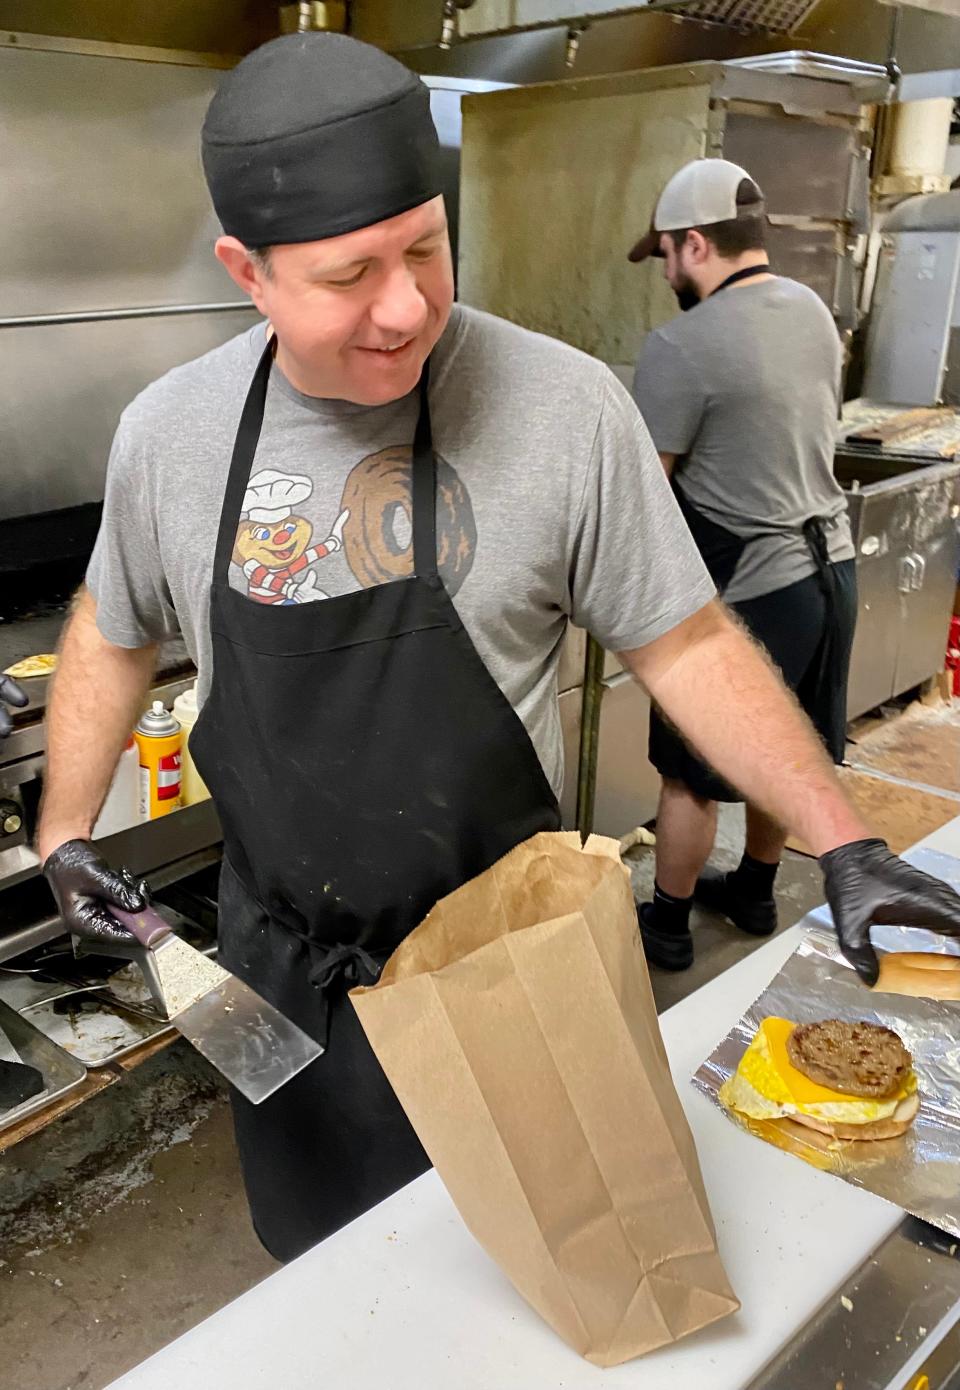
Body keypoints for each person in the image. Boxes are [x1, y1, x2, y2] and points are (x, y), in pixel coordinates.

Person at [37, 37, 960, 1263]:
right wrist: (61, 827)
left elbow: (686, 643)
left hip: (512, 962)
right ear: (246, 273)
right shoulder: (171, 435)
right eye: (350, 273)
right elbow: (110, 626)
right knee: (332, 1276)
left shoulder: (564, 408)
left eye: (425, 246)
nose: (409, 304)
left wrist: (841, 834)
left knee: (547, 1262)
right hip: (284, 977)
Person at [629, 158, 859, 972]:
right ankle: (756, 890)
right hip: (830, 572)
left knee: (690, 773)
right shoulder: (813, 312)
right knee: (784, 741)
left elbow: (644, 495)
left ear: (695, 243)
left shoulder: (681, 346)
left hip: (749, 589)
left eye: (664, 254)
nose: (665, 273)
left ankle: (665, 924)